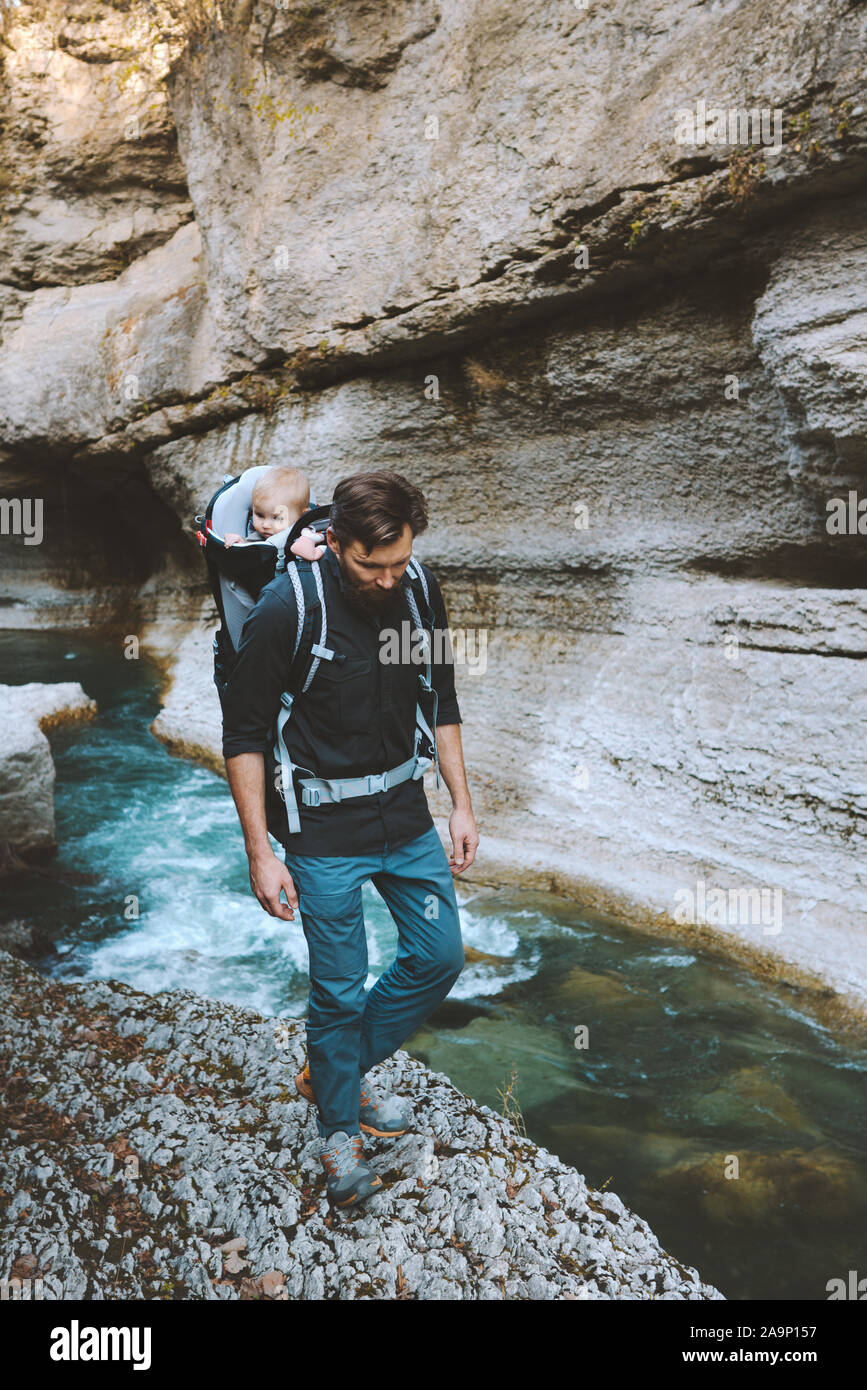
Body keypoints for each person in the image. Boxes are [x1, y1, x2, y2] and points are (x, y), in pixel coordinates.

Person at [220, 469, 479, 1208]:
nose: (388, 578)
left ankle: (328, 1073)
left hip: (404, 812)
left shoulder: (419, 589)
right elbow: (243, 737)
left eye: (398, 561)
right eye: (372, 566)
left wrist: (460, 805)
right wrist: (259, 853)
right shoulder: (287, 608)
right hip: (321, 828)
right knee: (337, 990)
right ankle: (340, 1129)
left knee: (438, 956)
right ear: (335, 545)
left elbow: (444, 699)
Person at [222, 463, 325, 560]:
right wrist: (240, 543)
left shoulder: (310, 532)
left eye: (277, 518)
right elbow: (253, 552)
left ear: (302, 516)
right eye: (260, 515)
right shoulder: (258, 535)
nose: (265, 525)